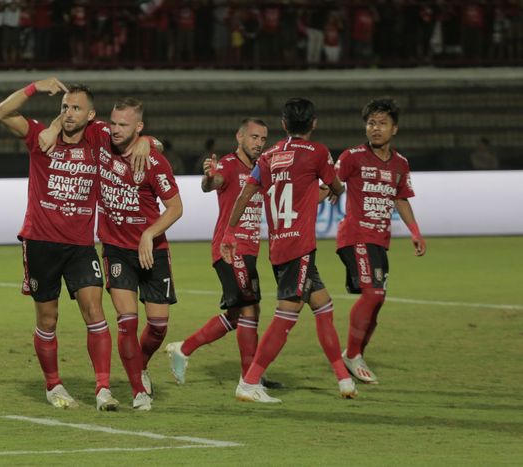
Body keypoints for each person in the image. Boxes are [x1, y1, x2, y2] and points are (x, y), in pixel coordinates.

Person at [0, 78, 120, 411]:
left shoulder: (98, 137)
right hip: (40, 242)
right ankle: (54, 386)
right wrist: (34, 87)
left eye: (76, 107)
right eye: (65, 107)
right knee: (48, 320)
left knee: (94, 310)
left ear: (91, 115)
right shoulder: (41, 137)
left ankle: (103, 388)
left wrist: (151, 146)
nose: (69, 113)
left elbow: (131, 133)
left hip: (80, 245)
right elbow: (3, 111)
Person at [221, 98, 356, 403]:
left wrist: (229, 230)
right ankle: (250, 381)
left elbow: (246, 193)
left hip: (280, 244)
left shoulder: (268, 156)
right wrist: (332, 191)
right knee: (287, 316)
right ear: (314, 123)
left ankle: (343, 378)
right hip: (300, 246)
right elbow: (335, 185)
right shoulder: (318, 152)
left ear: (283, 124)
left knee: (323, 305)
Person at [165, 119, 274, 387]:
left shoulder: (261, 169)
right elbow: (211, 183)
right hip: (229, 250)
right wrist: (209, 177)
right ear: (240, 137)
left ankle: (184, 349)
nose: (258, 143)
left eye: (262, 138)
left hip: (250, 250)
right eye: (254, 137)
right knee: (248, 311)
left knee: (245, 314)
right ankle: (250, 381)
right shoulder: (228, 164)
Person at [99, 97, 183, 411]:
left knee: (159, 325)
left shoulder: (154, 162)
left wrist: (149, 233)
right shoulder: (101, 144)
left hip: (152, 251)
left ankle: (141, 364)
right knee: (127, 321)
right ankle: (138, 392)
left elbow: (176, 208)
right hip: (116, 249)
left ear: (139, 126)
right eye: (113, 123)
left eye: (124, 125)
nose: (116, 130)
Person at [335, 97, 426, 385]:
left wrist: (414, 231)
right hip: (355, 235)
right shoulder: (351, 156)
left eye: (382, 123)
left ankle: (356, 353)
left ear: (394, 129)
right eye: (371, 123)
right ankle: (351, 355)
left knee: (378, 300)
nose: (376, 128)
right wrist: (321, 193)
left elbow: (400, 198)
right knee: (373, 294)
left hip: (379, 239)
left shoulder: (400, 164)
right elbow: (332, 182)